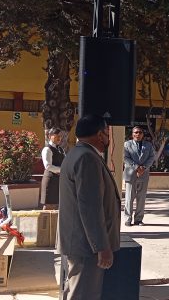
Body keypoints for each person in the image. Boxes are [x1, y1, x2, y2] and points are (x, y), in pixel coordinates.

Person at [57, 115, 120, 300]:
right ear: (100, 135)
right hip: (86, 246)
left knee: (75, 291)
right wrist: (102, 246)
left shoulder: (77, 153)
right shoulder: (87, 158)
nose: (108, 139)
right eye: (107, 134)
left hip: (79, 242)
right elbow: (90, 207)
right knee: (84, 294)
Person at [123, 126, 156, 226]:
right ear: (132, 134)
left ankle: (138, 219)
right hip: (131, 174)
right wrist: (137, 167)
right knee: (129, 198)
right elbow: (125, 158)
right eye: (136, 132)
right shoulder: (127, 144)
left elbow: (152, 157)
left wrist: (144, 168)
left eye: (140, 132)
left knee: (141, 198)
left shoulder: (148, 145)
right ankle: (128, 219)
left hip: (144, 175)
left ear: (142, 134)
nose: (138, 134)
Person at [40, 128, 65, 210]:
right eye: (57, 136)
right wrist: (62, 170)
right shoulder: (47, 149)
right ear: (50, 136)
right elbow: (48, 166)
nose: (59, 138)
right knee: (49, 206)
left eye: (60, 136)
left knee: (56, 207)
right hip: (50, 181)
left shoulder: (60, 149)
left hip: (58, 181)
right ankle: (44, 223)